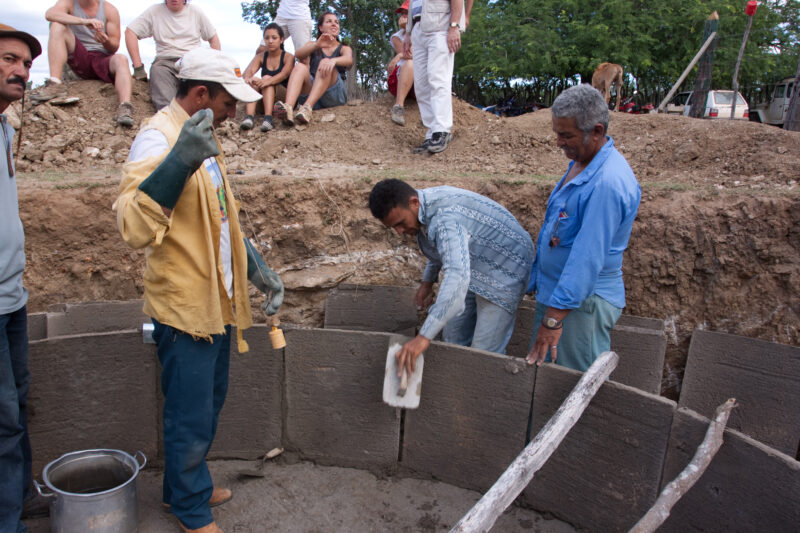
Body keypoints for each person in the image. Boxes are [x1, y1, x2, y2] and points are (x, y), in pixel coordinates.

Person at [113, 48, 284, 533]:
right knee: (190, 416)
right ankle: (190, 509)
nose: (236, 113)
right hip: (185, 309)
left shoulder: (204, 137)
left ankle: (185, 490)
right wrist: (178, 163)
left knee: (206, 406)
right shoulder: (159, 138)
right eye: (230, 103)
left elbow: (220, 221)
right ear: (203, 95)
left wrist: (258, 270)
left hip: (216, 305)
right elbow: (132, 225)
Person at [525, 84, 641, 372]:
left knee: (572, 390)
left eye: (566, 135)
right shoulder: (583, 162)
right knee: (548, 384)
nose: (558, 143)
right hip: (563, 301)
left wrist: (553, 319)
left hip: (580, 307)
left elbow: (586, 259)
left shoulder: (606, 184)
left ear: (597, 131)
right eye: (557, 133)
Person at [369, 179, 535, 378]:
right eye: (393, 228)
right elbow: (444, 248)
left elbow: (456, 274)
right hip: (474, 265)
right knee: (453, 338)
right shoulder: (423, 208)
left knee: (483, 354)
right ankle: (457, 393)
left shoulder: (445, 217)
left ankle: (483, 399)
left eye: (401, 224)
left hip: (506, 269)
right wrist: (427, 282)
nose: (400, 232)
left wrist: (423, 338)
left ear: (414, 202)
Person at [0, 23, 42, 533]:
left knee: (20, 402)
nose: (21, 71)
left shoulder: (7, 128)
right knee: (5, 421)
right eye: (9, 59)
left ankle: (23, 497)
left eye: (28, 64)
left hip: (13, 296)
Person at [33, 0, 135, 127]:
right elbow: (50, 14)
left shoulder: (109, 10)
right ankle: (55, 84)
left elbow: (114, 47)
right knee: (57, 26)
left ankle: (125, 106)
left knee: (121, 59)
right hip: (80, 55)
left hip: (102, 58)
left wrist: (105, 40)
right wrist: (84, 21)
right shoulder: (69, 3)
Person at [405, 0, 473, 153]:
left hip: (440, 25)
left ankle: (442, 130)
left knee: (438, 79)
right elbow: (413, 5)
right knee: (421, 85)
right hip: (418, 27)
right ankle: (431, 133)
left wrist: (454, 26)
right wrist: (409, 33)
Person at [125, 0, 220, 110]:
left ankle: (198, 116)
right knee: (158, 74)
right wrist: (138, 68)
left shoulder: (195, 12)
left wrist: (213, 66)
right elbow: (130, 32)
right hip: (165, 62)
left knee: (201, 92)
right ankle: (168, 114)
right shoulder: (154, 11)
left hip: (192, 61)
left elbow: (214, 39)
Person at [273, 12, 352, 126]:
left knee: (325, 62)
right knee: (300, 66)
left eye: (336, 22)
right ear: (320, 27)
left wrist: (333, 61)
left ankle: (307, 108)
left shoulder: (343, 47)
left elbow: (349, 60)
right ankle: (288, 108)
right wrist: (316, 45)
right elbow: (298, 55)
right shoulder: (313, 45)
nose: (334, 24)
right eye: (329, 21)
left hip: (334, 96)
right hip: (314, 95)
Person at [240, 23, 294, 133]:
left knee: (266, 79)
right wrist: (249, 79)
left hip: (281, 99)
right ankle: (249, 117)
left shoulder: (288, 57)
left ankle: (268, 119)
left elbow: (284, 74)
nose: (270, 41)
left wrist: (266, 81)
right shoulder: (260, 56)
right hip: (264, 98)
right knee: (254, 80)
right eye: (267, 38)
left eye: (274, 38)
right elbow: (248, 72)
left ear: (281, 40)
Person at [386, 0, 414, 126]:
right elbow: (410, 54)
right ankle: (398, 107)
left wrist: (399, 56)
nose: (403, 16)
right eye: (402, 13)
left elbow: (416, 53)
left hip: (421, 81)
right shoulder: (396, 36)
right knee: (409, 64)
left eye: (406, 13)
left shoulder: (425, 32)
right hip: (400, 80)